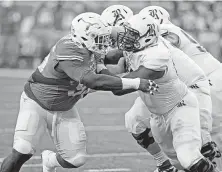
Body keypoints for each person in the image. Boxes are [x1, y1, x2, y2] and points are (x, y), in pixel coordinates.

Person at [0, 12, 158, 172]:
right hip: (37, 103)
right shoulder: (68, 49)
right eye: (99, 39)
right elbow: (93, 81)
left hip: (64, 108)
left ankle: (49, 160)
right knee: (23, 149)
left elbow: (108, 67)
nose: (103, 42)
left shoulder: (89, 45)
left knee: (76, 159)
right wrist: (136, 82)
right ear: (85, 38)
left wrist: (136, 51)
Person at [105, 14, 216, 172]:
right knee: (177, 163)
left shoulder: (157, 56)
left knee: (188, 158)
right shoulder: (140, 45)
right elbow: (112, 56)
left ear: (147, 38)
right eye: (128, 33)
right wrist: (89, 56)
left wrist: (93, 76)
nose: (127, 38)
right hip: (158, 115)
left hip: (180, 107)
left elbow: (119, 88)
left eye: (132, 34)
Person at [139, 5, 222, 170]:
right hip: (209, 78)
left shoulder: (165, 30)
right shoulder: (170, 29)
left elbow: (168, 43)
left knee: (207, 137)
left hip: (205, 81)